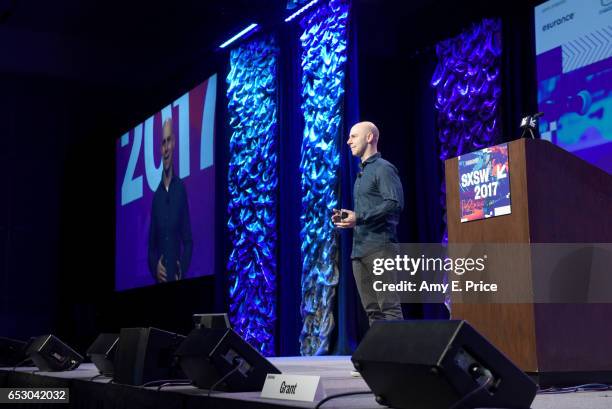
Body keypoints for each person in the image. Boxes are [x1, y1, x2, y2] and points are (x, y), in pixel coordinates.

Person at [333, 121, 404, 325]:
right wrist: (347, 217)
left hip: (380, 248)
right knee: (372, 311)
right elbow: (365, 211)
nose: (348, 141)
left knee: (388, 307)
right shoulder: (361, 173)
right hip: (359, 251)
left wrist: (360, 216)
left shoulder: (383, 168)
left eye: (353, 136)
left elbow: (395, 203)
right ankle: (383, 355)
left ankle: (400, 356)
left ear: (369, 137)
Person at [148, 118, 193, 283]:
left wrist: (182, 267)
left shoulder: (181, 190)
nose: (166, 148)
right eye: (162, 143)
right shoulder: (156, 198)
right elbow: (151, 249)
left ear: (173, 143)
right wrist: (155, 267)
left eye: (168, 142)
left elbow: (188, 242)